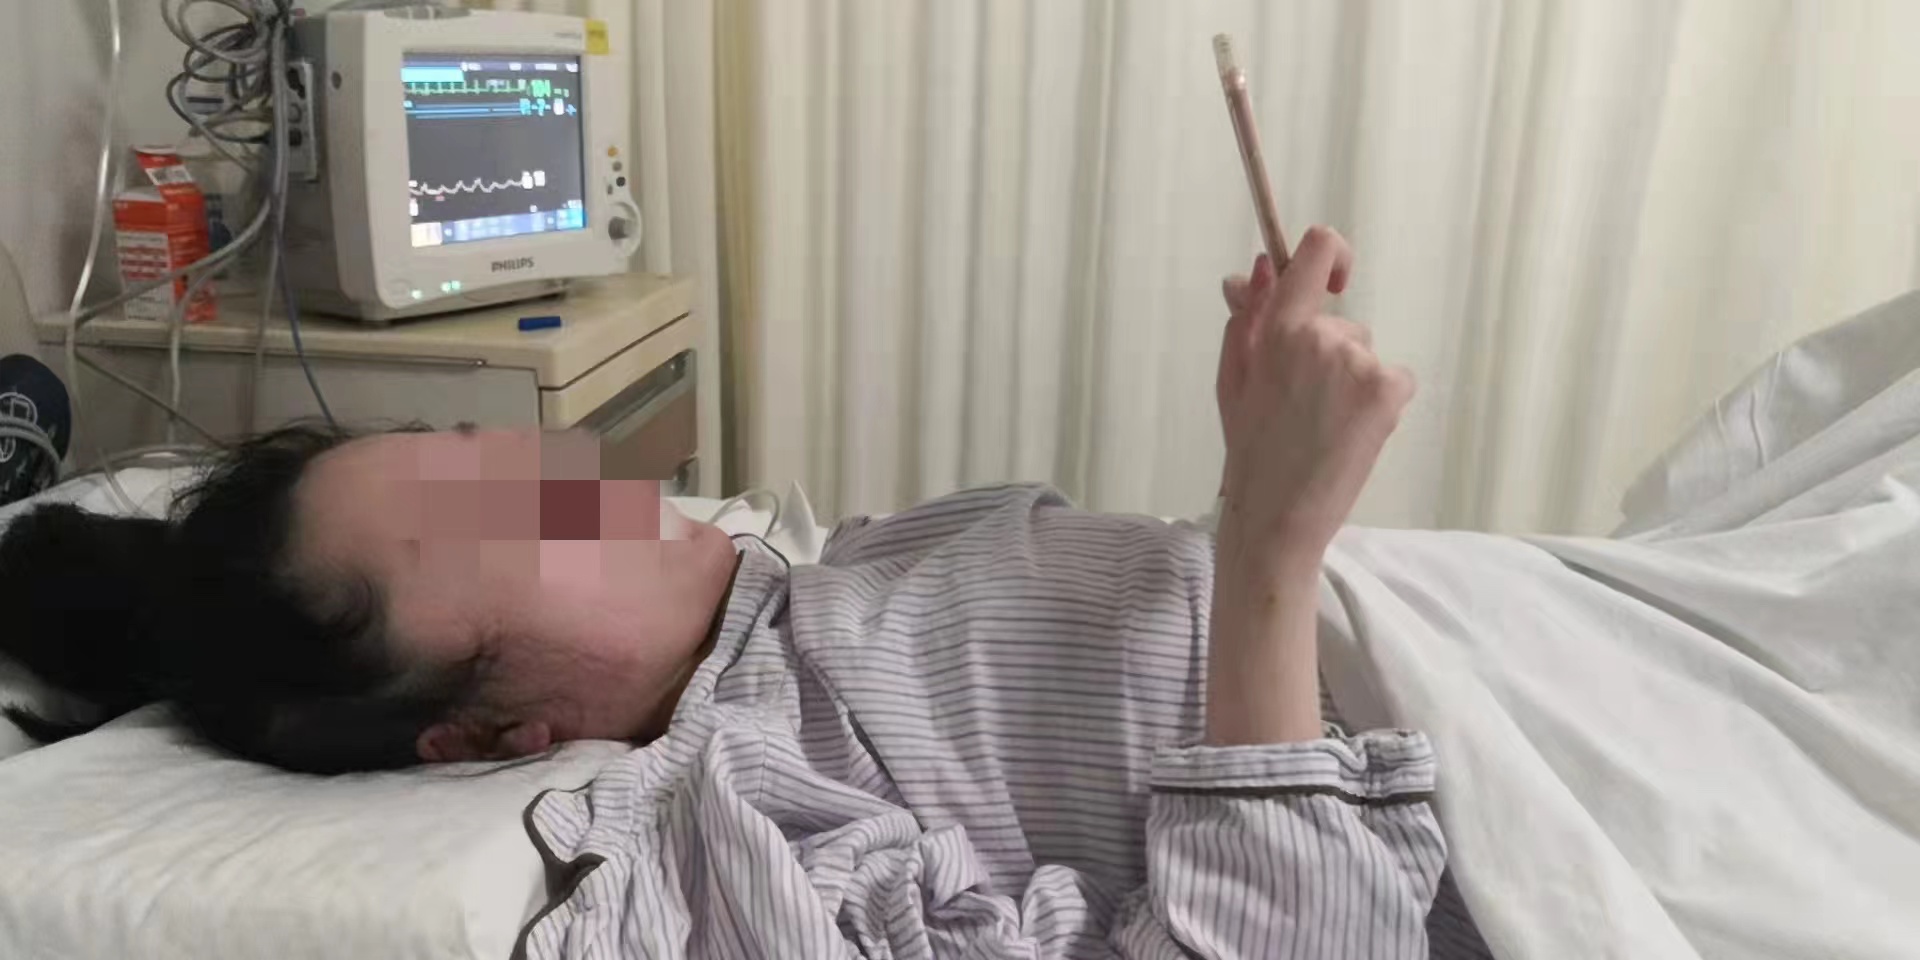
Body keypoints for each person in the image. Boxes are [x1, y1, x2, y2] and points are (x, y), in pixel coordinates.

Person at [1, 228, 1442, 957]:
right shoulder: (754, 812)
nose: (552, 475)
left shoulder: (837, 572)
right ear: (483, 734)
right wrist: (1268, 554)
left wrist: (1261, 476)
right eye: (489, 524)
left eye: (484, 454)